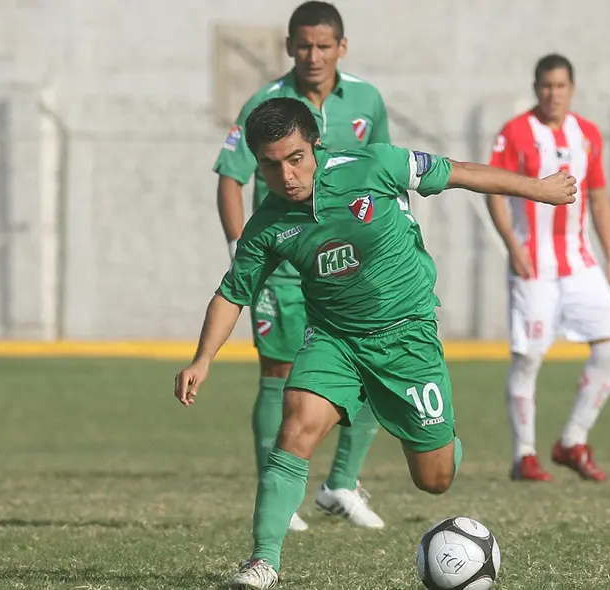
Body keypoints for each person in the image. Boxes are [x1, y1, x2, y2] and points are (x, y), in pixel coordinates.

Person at [174, 96, 575, 590]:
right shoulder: (267, 224)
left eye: (295, 158)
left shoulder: (374, 165)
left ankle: (433, 432)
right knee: (295, 426)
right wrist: (202, 359)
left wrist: (540, 189)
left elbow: (461, 172)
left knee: (435, 480)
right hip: (335, 340)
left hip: (407, 337)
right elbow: (232, 293)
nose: (287, 176)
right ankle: (263, 562)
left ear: (315, 145)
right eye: (271, 165)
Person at [213, 1, 390, 531]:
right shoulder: (266, 104)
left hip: (350, 263)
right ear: (289, 47)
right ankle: (280, 495)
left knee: (374, 364)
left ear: (342, 47)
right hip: (285, 266)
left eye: (323, 45)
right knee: (279, 372)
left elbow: (380, 173)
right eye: (304, 45)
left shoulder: (367, 100)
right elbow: (230, 177)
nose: (314, 55)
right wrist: (239, 248)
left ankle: (340, 485)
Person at [486, 54, 610, 483]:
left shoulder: (588, 134)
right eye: (546, 86)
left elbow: (597, 196)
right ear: (536, 88)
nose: (553, 94)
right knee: (528, 356)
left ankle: (572, 441)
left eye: (561, 86)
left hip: (580, 262)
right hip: (534, 262)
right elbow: (493, 191)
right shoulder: (514, 132)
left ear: (572, 89)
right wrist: (513, 246)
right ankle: (524, 455)